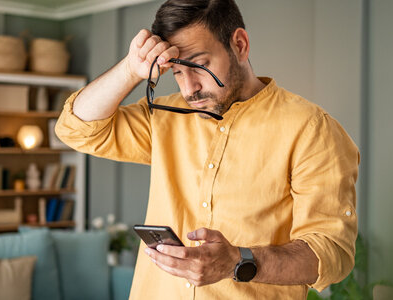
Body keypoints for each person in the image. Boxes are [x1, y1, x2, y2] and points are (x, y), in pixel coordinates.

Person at [55, 0, 359, 298]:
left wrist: (239, 261)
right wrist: (131, 70)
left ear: (239, 44)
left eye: (199, 66)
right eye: (176, 72)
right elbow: (76, 129)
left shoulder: (311, 129)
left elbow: (332, 253)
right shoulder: (164, 115)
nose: (189, 89)